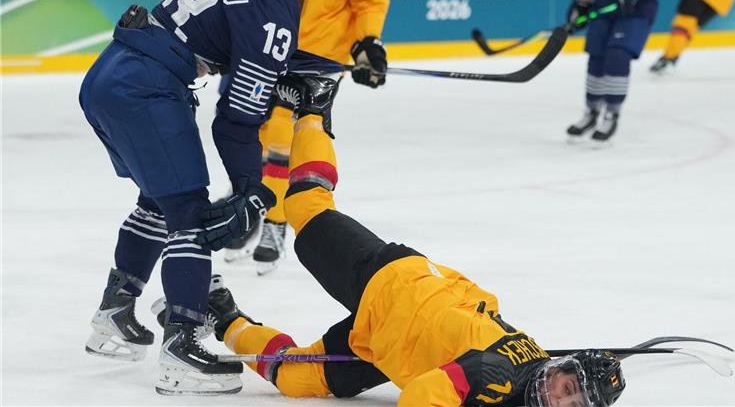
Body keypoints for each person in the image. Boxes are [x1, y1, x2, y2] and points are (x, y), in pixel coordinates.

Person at [160, 73, 627, 406]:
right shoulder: (496, 376)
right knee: (305, 206)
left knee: (296, 379)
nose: (559, 399)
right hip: (391, 286)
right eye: (567, 387)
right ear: (561, 367)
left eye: (573, 404)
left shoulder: (524, 376)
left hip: (387, 346)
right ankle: (314, 111)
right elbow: (420, 397)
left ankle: (223, 312)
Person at [79, 0, 321, 395]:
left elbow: (233, 38)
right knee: (190, 216)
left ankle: (115, 310)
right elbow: (236, 123)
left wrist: (286, 66)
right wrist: (250, 188)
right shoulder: (270, 10)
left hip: (110, 77)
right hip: (146, 91)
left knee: (159, 201)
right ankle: (181, 349)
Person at [221, 0, 390, 275]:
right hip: (270, 45)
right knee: (254, 128)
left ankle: (275, 221)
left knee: (283, 132)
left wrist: (368, 44)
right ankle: (251, 200)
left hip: (320, 55)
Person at [565, 0, 679, 142]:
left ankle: (611, 113)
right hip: (603, 9)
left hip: (636, 12)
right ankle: (591, 112)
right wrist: (583, 3)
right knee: (596, 58)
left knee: (618, 56)